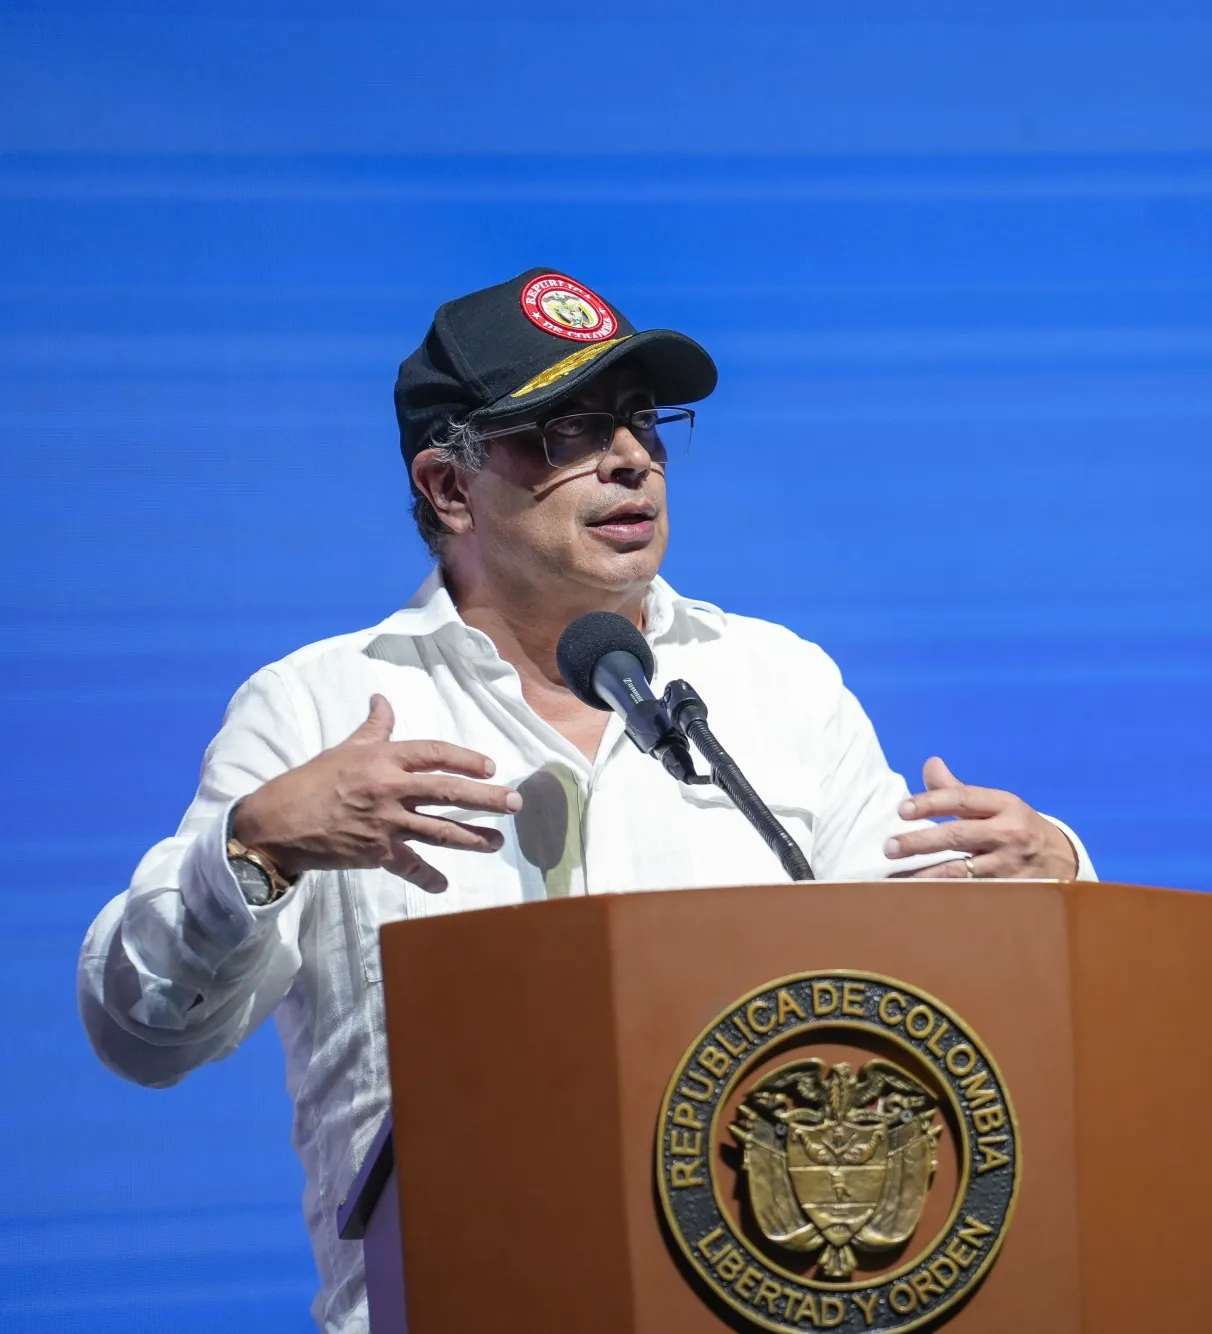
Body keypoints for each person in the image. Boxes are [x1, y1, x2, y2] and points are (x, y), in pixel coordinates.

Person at [76, 269, 1093, 1334]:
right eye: (568, 430)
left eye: (642, 421)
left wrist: (1048, 877)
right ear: (449, 486)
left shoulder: (778, 683)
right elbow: (142, 1035)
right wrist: (258, 851)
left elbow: (921, 984)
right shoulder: (316, 706)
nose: (631, 456)